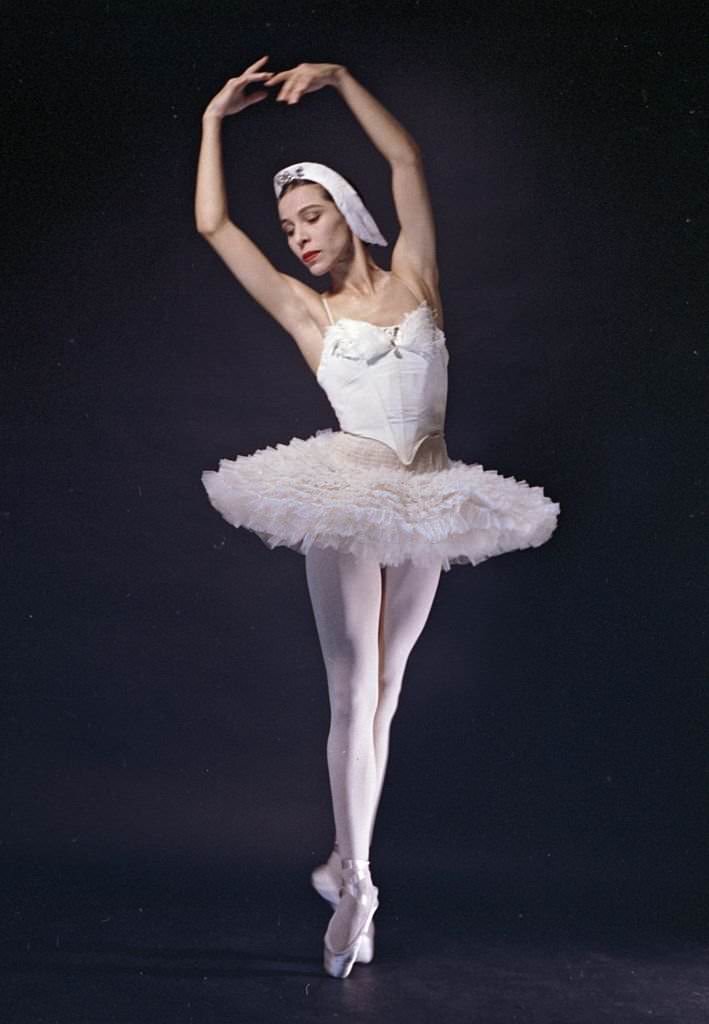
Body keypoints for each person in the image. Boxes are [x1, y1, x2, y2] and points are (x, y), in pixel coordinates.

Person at [195, 55, 560, 978]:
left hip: (428, 497)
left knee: (388, 691)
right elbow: (211, 224)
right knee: (354, 689)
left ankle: (348, 864)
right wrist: (211, 119)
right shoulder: (309, 316)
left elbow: (406, 163)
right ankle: (355, 879)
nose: (298, 239)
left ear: (345, 212)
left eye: (309, 216)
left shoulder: (417, 277)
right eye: (287, 229)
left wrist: (341, 80)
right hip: (348, 495)